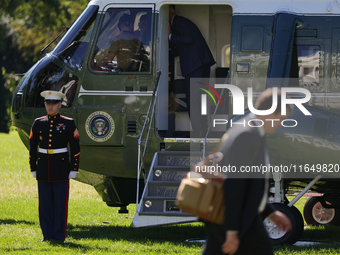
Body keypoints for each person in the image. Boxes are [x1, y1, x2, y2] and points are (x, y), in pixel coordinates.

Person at [203, 88, 292, 255]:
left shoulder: (249, 130)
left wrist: (270, 213)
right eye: (281, 118)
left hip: (241, 219)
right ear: (270, 112)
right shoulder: (247, 135)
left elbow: (251, 184)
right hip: (236, 221)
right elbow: (234, 185)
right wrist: (231, 231)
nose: (280, 124)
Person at [29, 90, 80, 242]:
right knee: (44, 205)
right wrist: (33, 167)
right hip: (44, 167)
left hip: (61, 168)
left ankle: (59, 236)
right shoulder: (38, 123)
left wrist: (73, 168)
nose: (50, 107)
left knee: (59, 205)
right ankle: (47, 235)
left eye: (53, 104)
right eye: (48, 104)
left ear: (59, 105)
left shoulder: (68, 123)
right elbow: (33, 147)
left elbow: (75, 148)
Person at [168, 6, 216, 135]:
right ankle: (203, 130)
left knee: (193, 100)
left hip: (195, 65)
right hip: (199, 64)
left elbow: (188, 39)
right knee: (199, 100)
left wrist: (171, 36)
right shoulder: (181, 22)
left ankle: (199, 131)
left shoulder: (178, 22)